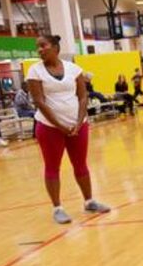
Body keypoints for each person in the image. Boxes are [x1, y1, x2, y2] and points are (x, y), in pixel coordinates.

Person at [26, 34, 110, 224]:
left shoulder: (74, 69)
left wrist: (79, 122)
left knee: (81, 164)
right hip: (49, 128)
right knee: (52, 167)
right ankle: (58, 208)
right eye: (37, 47)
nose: (40, 49)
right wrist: (60, 125)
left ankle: (89, 201)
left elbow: (82, 97)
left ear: (55, 47)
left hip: (78, 126)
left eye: (43, 45)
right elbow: (39, 101)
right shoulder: (34, 71)